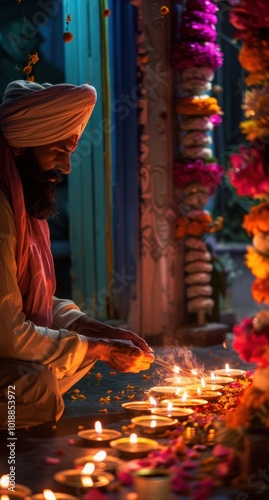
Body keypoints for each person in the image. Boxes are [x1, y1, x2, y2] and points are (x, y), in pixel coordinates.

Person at [0, 80, 154, 429]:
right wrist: (98, 347)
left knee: (83, 352)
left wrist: (95, 329)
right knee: (36, 386)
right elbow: (8, 332)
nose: (66, 167)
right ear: (22, 148)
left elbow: (28, 298)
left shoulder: (18, 199)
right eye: (57, 152)